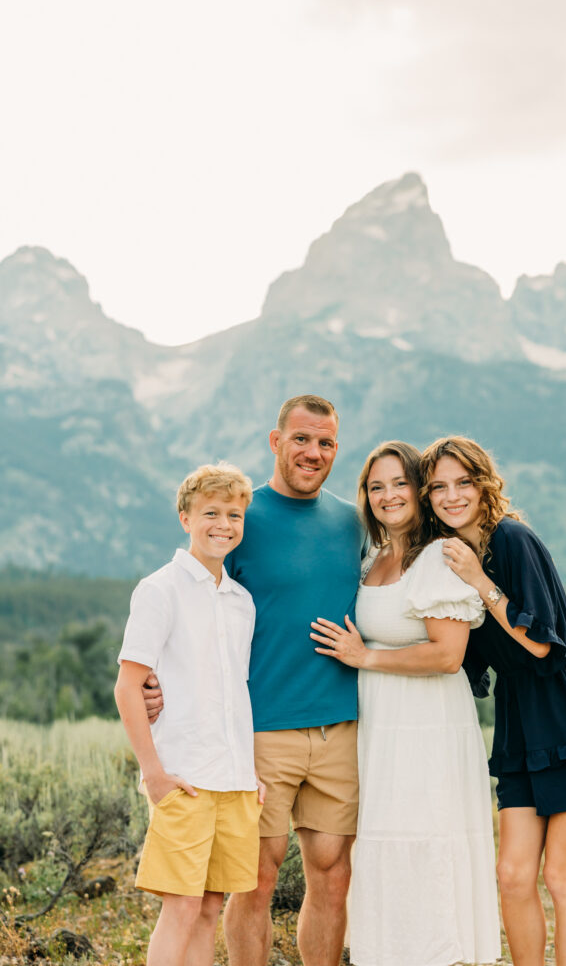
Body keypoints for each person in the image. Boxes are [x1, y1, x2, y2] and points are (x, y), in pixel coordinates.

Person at [143, 395, 364, 966]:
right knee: (255, 880)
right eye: (301, 439)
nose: (313, 452)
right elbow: (190, 605)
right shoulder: (239, 515)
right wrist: (153, 681)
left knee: (333, 875)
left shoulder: (351, 521)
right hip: (260, 732)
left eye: (326, 443)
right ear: (276, 441)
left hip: (339, 727)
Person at [420, 436, 566, 966]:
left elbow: (540, 644)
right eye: (438, 487)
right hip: (521, 722)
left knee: (561, 876)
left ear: (483, 484)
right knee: (513, 875)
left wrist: (479, 583)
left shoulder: (511, 540)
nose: (452, 496)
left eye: (463, 482)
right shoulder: (452, 557)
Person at [310, 441, 501, 966]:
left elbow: (447, 655)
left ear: (419, 489)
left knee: (423, 837)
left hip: (428, 725)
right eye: (376, 487)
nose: (388, 495)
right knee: (386, 842)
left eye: (399, 483)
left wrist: (363, 658)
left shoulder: (438, 560)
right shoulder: (374, 558)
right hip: (382, 724)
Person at [114, 463, 265, 966]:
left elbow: (234, 693)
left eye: (234, 515)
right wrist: (152, 773)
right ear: (185, 517)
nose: (224, 524)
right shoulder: (159, 590)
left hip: (235, 780)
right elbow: (128, 686)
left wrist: (251, 771)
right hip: (183, 778)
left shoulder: (241, 601)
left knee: (209, 908)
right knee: (180, 908)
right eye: (211, 513)